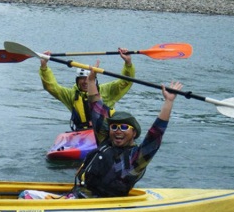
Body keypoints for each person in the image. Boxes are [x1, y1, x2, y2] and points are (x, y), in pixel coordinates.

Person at [73, 63, 183, 197]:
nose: (118, 131)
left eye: (124, 127)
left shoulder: (136, 159)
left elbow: (156, 134)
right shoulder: (106, 141)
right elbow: (96, 106)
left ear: (134, 133)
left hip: (107, 203)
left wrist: (168, 102)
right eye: (114, 127)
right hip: (82, 193)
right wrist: (91, 81)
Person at [39, 48, 135, 131]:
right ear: (77, 81)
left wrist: (128, 63)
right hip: (81, 133)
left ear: (93, 78)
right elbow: (51, 87)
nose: (85, 82)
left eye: (88, 78)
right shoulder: (71, 95)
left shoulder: (107, 90)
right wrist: (44, 67)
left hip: (103, 132)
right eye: (82, 79)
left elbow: (125, 82)